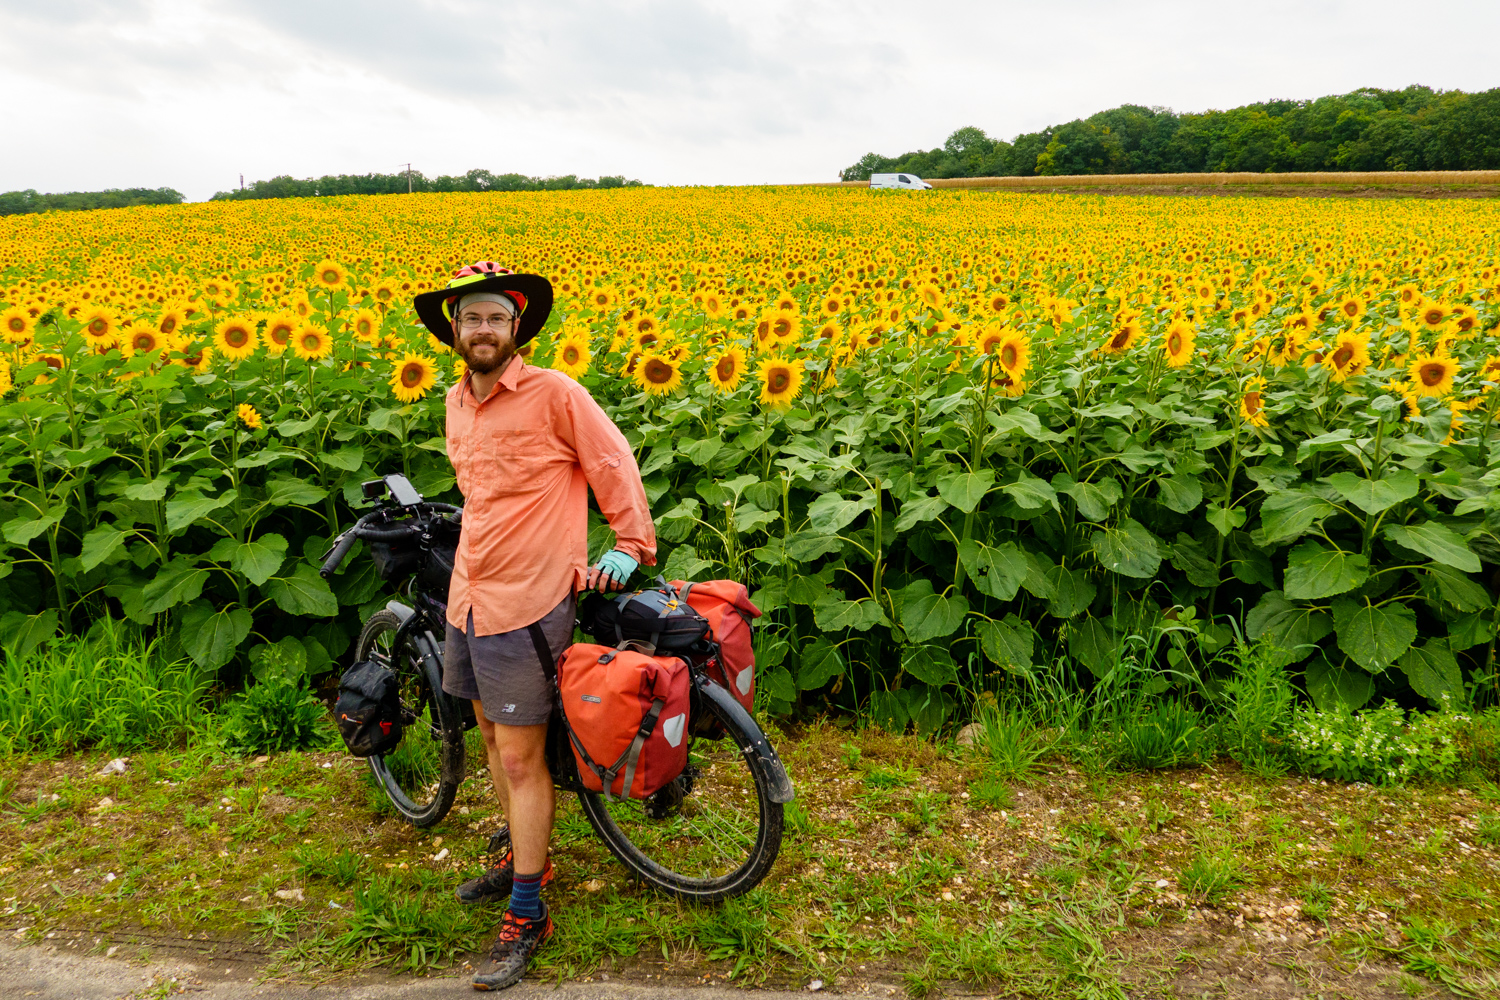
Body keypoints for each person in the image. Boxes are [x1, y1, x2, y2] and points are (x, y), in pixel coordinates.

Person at [413, 262, 656, 991]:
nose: (481, 330)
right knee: (490, 736)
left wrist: (627, 545)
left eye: (495, 317)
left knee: (520, 759)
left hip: (529, 602)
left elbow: (613, 463)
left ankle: (529, 909)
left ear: (516, 328)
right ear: (453, 330)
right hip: (471, 597)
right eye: (469, 318)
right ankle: (531, 857)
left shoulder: (556, 393)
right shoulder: (457, 401)